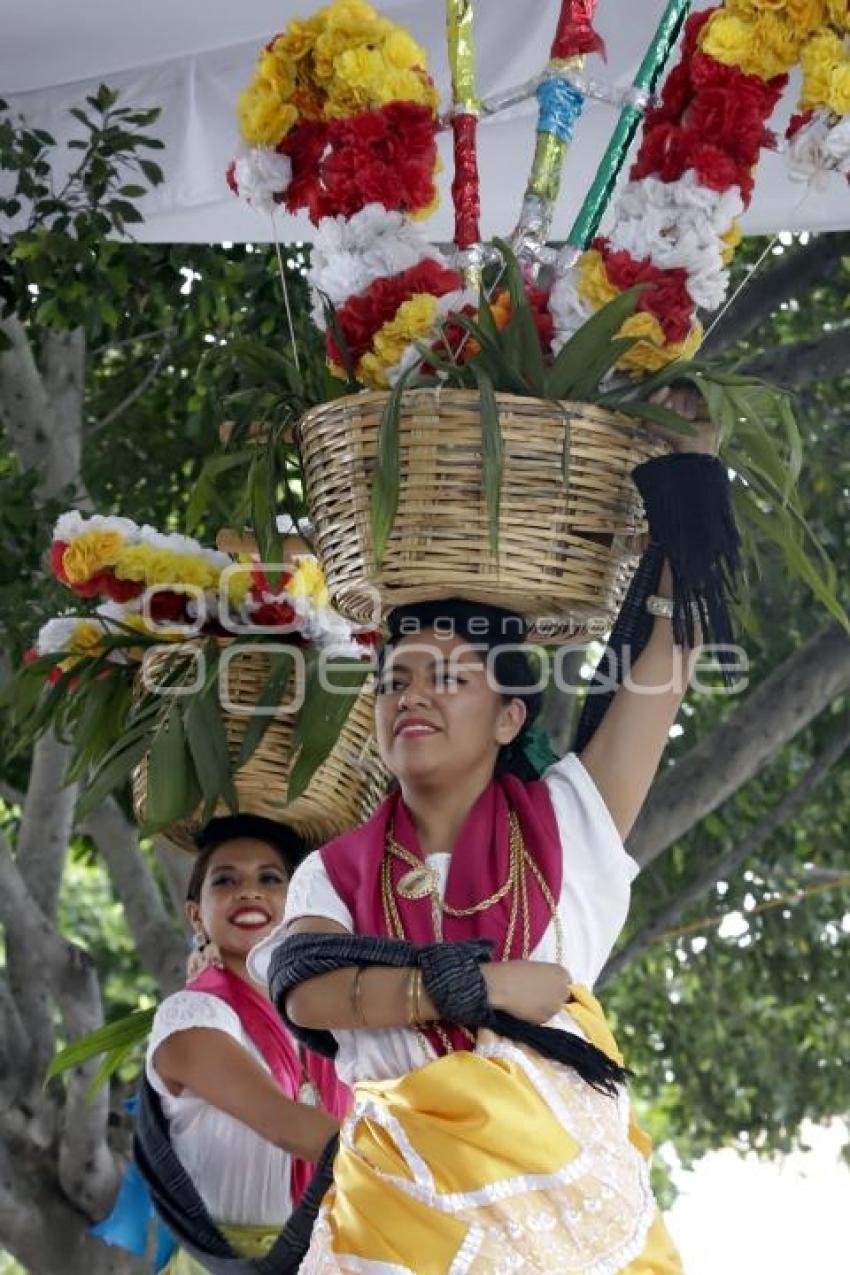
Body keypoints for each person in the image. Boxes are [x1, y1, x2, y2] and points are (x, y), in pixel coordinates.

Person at [250, 420, 728, 1272]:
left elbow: (667, 661)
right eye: (396, 678)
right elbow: (303, 990)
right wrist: (481, 985)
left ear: (511, 716)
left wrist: (688, 480)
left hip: (565, 1220)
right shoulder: (336, 868)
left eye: (450, 676)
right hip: (393, 1223)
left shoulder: (569, 825)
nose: (413, 696)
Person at [140, 814, 348, 1273]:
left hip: (335, 1256)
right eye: (225, 881)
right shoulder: (190, 1015)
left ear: (297, 902)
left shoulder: (328, 1018)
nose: (248, 891)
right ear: (196, 913)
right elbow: (283, 1123)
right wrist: (424, 1159)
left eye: (269, 879)